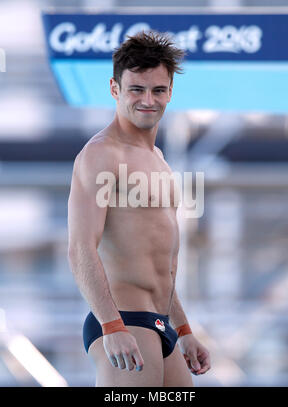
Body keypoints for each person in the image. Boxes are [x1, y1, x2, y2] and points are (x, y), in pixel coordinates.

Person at [67, 30, 210, 387]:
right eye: (136, 89)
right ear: (115, 89)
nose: (148, 100)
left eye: (158, 90)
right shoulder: (102, 155)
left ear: (170, 93)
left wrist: (183, 328)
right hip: (123, 319)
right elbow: (80, 247)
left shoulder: (158, 160)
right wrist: (111, 325)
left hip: (162, 325)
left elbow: (160, 262)